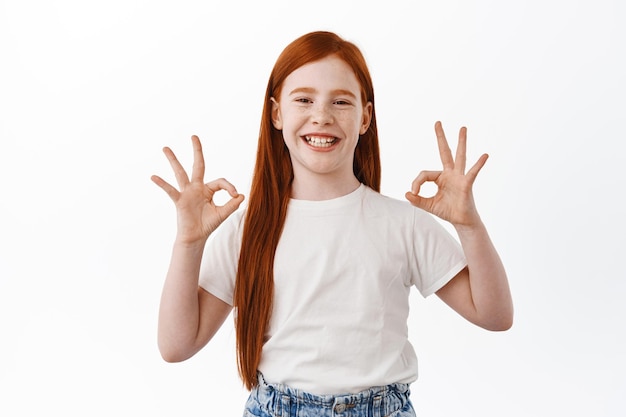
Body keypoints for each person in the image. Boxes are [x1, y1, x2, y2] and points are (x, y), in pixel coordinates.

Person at [151, 31, 513, 417]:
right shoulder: (247, 229)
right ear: (277, 114)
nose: (322, 115)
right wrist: (188, 244)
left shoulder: (402, 224)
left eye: (340, 102)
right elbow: (176, 346)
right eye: (304, 100)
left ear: (365, 117)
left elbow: (494, 316)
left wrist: (470, 226)